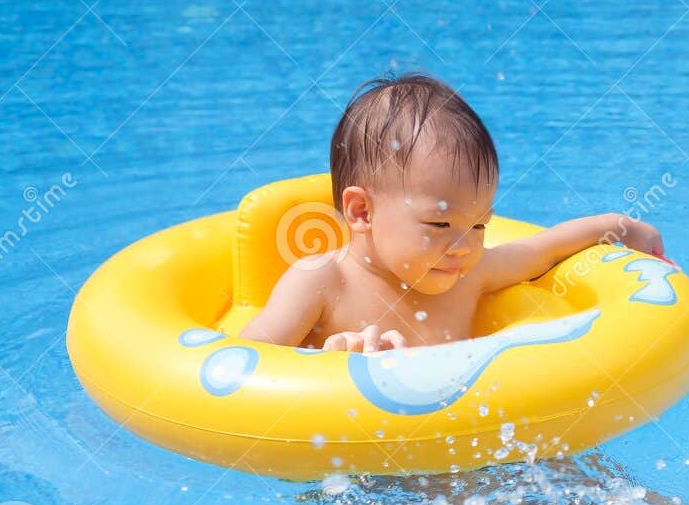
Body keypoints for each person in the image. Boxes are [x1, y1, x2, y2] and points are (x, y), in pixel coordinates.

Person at [242, 73, 663, 352]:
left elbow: (544, 250)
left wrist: (617, 226)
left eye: (480, 224)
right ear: (361, 211)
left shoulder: (469, 275)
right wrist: (330, 366)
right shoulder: (320, 283)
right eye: (439, 224)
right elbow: (243, 365)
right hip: (356, 473)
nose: (465, 246)